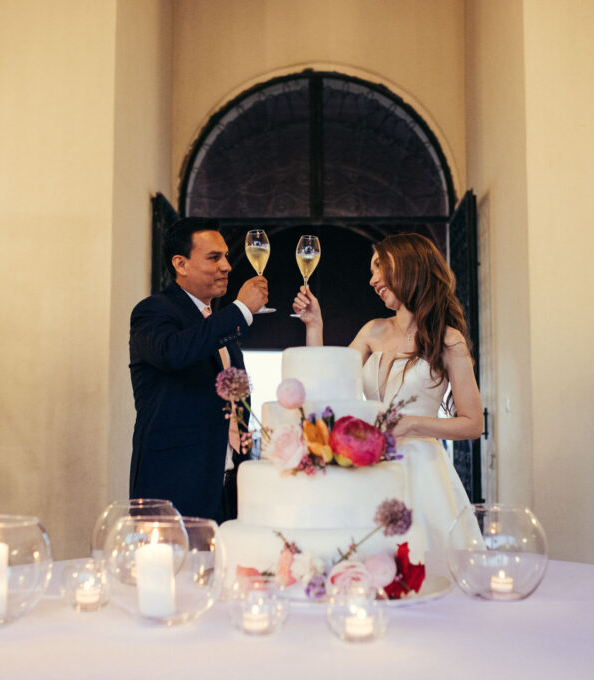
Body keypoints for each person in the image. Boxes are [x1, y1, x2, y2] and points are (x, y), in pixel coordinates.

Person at [293, 233, 485, 554]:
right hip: (373, 467)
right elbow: (330, 385)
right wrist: (314, 325)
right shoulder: (373, 331)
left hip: (423, 473)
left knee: (428, 564)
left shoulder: (448, 340)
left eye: (379, 267)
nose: (372, 280)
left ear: (409, 265)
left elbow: (472, 423)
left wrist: (410, 424)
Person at [130, 217, 269, 523]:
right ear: (181, 264)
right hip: (175, 482)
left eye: (226, 257)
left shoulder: (218, 326)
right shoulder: (153, 311)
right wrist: (242, 309)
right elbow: (173, 354)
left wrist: (242, 437)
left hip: (227, 485)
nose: (227, 266)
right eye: (214, 257)